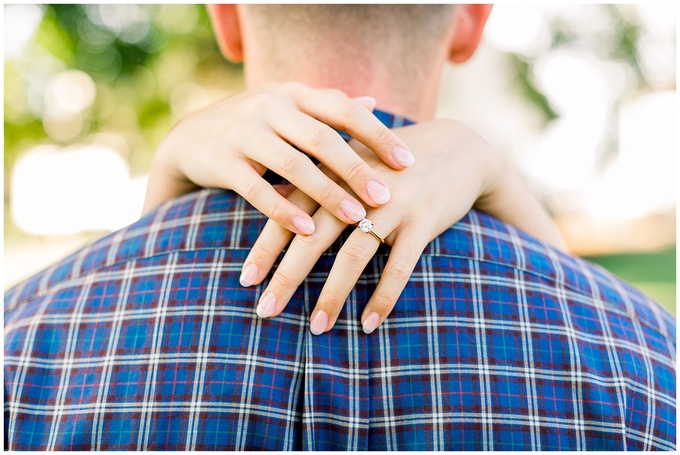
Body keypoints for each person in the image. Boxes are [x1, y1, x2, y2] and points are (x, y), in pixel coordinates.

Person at [4, 5, 675, 451]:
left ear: (227, 21)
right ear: (471, 22)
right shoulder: (649, 362)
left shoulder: (21, 344)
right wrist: (510, 192)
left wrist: (161, 209)